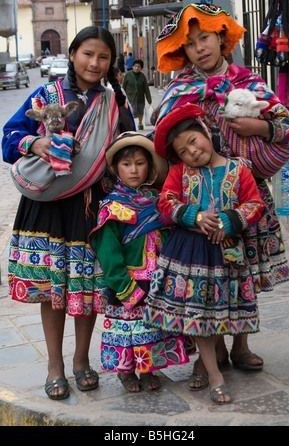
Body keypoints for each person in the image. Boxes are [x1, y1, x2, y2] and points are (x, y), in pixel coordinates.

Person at [153, 3, 289, 377]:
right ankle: (212, 348)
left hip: (245, 191)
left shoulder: (249, 82)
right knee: (208, 270)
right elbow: (163, 134)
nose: (200, 48)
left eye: (205, 38)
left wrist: (260, 129)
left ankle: (242, 345)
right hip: (198, 194)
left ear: (222, 37)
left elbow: (287, 123)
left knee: (243, 269)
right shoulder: (180, 89)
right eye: (191, 44)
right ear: (182, 52)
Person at [1, 26, 132, 401]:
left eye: (103, 56)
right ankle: (54, 366)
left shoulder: (114, 102)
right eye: (88, 53)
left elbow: (128, 148)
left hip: (93, 207)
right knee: (51, 290)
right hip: (49, 209)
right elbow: (9, 141)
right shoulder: (47, 95)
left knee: (87, 288)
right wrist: (37, 142)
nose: (95, 62)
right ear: (73, 54)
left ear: (110, 62)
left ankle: (80, 361)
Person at [144, 103, 265, 404]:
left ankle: (227, 354)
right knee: (199, 315)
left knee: (226, 310)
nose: (193, 152)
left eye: (194, 141)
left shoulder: (239, 170)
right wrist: (194, 216)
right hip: (192, 256)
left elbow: (254, 203)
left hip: (229, 255)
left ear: (206, 132)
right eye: (184, 151)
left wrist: (229, 220)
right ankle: (214, 373)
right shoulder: (179, 172)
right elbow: (165, 202)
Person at [90, 132, 188, 392]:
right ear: (115, 168)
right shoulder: (111, 207)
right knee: (127, 329)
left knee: (150, 327)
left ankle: (148, 369)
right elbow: (108, 252)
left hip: (155, 278)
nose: (134, 170)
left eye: (140, 163)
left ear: (150, 166)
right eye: (126, 164)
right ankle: (126, 372)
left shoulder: (156, 202)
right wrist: (123, 285)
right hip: (128, 281)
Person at [123, 59, 152, 130]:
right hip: (130, 98)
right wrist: (122, 96)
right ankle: (129, 124)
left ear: (141, 68)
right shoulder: (128, 75)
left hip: (140, 97)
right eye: (135, 66)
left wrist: (149, 99)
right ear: (132, 67)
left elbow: (146, 88)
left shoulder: (142, 76)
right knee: (131, 112)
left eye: (138, 67)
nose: (136, 68)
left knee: (140, 111)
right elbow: (123, 87)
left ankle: (140, 123)